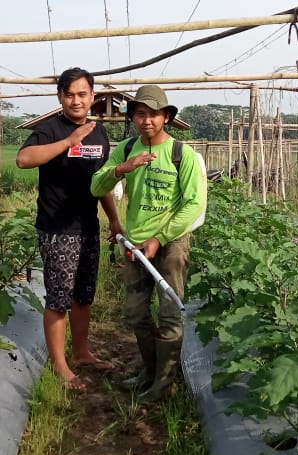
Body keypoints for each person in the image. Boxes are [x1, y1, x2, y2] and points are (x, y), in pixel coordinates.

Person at [90, 85, 207, 400]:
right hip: (135, 244)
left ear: (166, 117)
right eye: (140, 113)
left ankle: (164, 383)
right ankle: (149, 368)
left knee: (169, 314)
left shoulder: (182, 155)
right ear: (133, 117)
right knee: (136, 313)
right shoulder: (126, 149)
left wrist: (160, 238)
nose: (147, 120)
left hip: (171, 245)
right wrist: (122, 169)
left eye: (154, 114)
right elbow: (95, 185)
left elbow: (194, 204)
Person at [17, 67, 122, 391]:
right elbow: (24, 159)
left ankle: (81, 353)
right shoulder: (50, 129)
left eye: (82, 94)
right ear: (60, 97)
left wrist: (114, 219)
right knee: (59, 299)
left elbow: (101, 179)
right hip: (57, 228)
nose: (76, 100)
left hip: (88, 225)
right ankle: (61, 366)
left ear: (92, 96)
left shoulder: (99, 133)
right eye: (69, 94)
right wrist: (67, 141)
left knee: (83, 296)